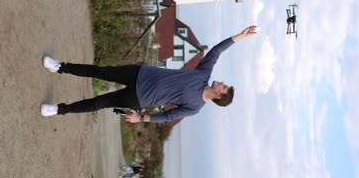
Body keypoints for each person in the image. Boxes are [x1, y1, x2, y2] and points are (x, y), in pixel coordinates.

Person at [40, 25, 258, 122]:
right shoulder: (203, 74)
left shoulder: (195, 107)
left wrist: (140, 118)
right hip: (140, 73)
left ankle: (59, 110)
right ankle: (60, 67)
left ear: (219, 96)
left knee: (98, 103)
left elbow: (167, 116)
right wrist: (241, 35)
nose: (221, 83)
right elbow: (216, 50)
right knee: (100, 71)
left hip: (138, 97)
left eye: (224, 87)